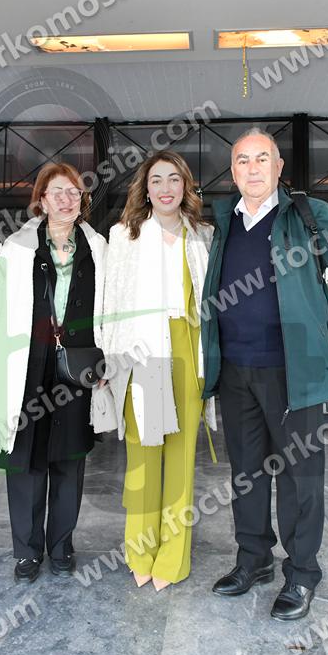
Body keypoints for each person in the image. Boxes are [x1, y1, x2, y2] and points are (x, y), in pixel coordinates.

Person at [201, 127, 328, 620]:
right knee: (246, 475)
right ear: (233, 171)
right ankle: (253, 559)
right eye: (243, 160)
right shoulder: (224, 222)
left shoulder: (308, 215)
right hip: (236, 371)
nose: (253, 168)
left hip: (295, 371)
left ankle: (302, 573)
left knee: (300, 477)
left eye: (262, 158)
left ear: (279, 167)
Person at [0, 163, 107, 582]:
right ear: (42, 201)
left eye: (73, 192)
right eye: (56, 192)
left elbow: (113, 305)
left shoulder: (99, 248)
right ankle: (27, 551)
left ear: (82, 200)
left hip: (76, 366)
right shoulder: (17, 248)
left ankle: (61, 546)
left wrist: (110, 361)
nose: (66, 199)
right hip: (25, 366)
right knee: (26, 459)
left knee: (69, 457)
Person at [102, 150, 216, 591]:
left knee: (181, 458)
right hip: (144, 352)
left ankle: (172, 557)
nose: (165, 188)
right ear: (145, 189)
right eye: (156, 180)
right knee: (145, 458)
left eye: (173, 179)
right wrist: (109, 356)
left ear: (185, 186)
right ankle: (140, 551)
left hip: (188, 348)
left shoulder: (202, 235)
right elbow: (110, 302)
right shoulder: (125, 235)